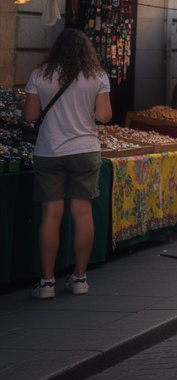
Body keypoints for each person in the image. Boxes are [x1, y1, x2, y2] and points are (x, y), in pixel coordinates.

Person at [24, 29, 111, 299]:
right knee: (82, 214)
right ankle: (80, 279)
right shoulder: (97, 76)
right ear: (87, 50)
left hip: (49, 150)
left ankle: (47, 282)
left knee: (51, 215)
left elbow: (30, 116)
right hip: (85, 150)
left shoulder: (40, 74)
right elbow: (105, 116)